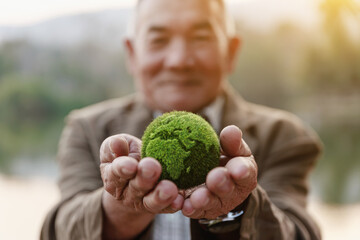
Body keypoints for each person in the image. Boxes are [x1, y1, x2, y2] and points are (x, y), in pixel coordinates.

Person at [41, 0, 322, 239]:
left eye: (200, 38)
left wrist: (240, 209)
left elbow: (300, 232)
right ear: (132, 54)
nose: (178, 60)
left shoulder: (284, 135)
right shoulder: (87, 129)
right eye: (158, 40)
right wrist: (120, 210)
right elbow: (56, 230)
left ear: (231, 52)